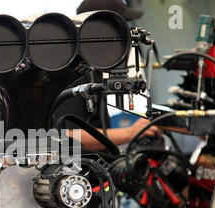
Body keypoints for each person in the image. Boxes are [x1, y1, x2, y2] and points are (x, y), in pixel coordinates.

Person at [57, 0, 162, 151]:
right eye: (123, 26)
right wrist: (129, 133)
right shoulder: (71, 72)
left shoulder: (94, 68)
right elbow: (67, 136)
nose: (129, 34)